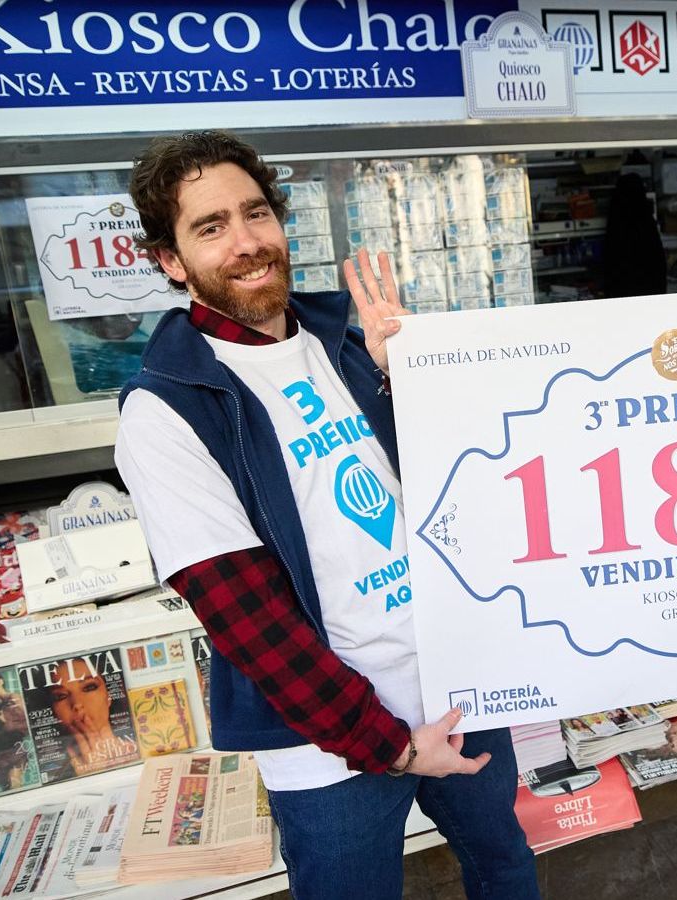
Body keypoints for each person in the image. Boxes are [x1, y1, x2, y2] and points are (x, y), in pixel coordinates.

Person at [113, 131, 538, 900]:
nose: (246, 243)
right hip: (330, 741)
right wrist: (391, 746)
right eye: (210, 227)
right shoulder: (165, 409)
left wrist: (406, 380)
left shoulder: (348, 335)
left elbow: (465, 489)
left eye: (255, 214)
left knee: (505, 864)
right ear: (170, 261)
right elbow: (247, 620)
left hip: (457, 686)